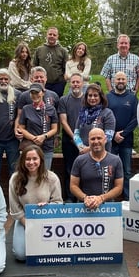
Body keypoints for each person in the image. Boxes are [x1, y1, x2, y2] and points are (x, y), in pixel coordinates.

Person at [8, 145, 63, 262]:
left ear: (41, 160)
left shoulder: (52, 178)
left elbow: (58, 202)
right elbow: (15, 208)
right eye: (28, 159)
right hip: (24, 220)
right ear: (23, 161)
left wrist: (48, 207)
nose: (31, 162)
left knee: (50, 253)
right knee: (21, 255)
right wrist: (29, 225)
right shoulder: (15, 178)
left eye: (35, 159)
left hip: (47, 220)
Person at [69, 128, 124, 209]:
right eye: (92, 139)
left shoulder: (115, 160)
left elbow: (119, 188)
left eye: (99, 138)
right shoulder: (79, 160)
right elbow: (73, 186)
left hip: (108, 208)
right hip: (84, 206)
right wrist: (85, 198)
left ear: (105, 140)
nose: (96, 141)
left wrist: (101, 198)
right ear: (88, 141)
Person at [107, 71, 139, 200]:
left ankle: (127, 199)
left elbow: (135, 118)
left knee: (127, 171)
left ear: (127, 81)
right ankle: (110, 199)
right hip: (110, 140)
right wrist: (113, 134)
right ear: (114, 81)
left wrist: (124, 134)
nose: (120, 81)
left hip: (126, 140)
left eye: (123, 79)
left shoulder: (132, 98)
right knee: (110, 171)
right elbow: (104, 117)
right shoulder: (108, 97)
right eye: (118, 79)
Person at [16, 82, 59, 170]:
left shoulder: (51, 109)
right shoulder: (26, 109)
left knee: (45, 173)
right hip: (31, 146)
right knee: (30, 172)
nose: (35, 95)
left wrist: (43, 137)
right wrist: (34, 138)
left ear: (43, 93)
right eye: (32, 93)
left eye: (37, 93)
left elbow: (55, 128)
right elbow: (21, 127)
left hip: (47, 146)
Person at [58, 72, 86, 201]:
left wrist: (82, 141)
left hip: (85, 143)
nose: (75, 84)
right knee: (69, 169)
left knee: (85, 170)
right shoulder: (64, 100)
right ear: (70, 83)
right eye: (73, 82)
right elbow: (63, 121)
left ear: (82, 83)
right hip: (69, 141)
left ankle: (83, 197)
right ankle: (70, 197)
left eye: (77, 82)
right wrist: (76, 138)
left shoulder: (87, 99)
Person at [74, 83, 116, 153]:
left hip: (102, 155)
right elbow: (76, 134)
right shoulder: (82, 113)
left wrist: (89, 149)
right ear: (86, 97)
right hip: (84, 154)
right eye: (90, 95)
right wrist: (82, 148)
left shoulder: (108, 113)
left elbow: (108, 137)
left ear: (101, 97)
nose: (92, 98)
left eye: (95, 95)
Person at [32, 26, 68, 98]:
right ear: (47, 35)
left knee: (56, 102)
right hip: (42, 82)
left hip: (58, 83)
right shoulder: (39, 50)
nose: (52, 36)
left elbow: (66, 68)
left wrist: (63, 82)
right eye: (50, 34)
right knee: (41, 101)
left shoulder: (63, 51)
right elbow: (34, 66)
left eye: (54, 35)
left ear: (57, 37)